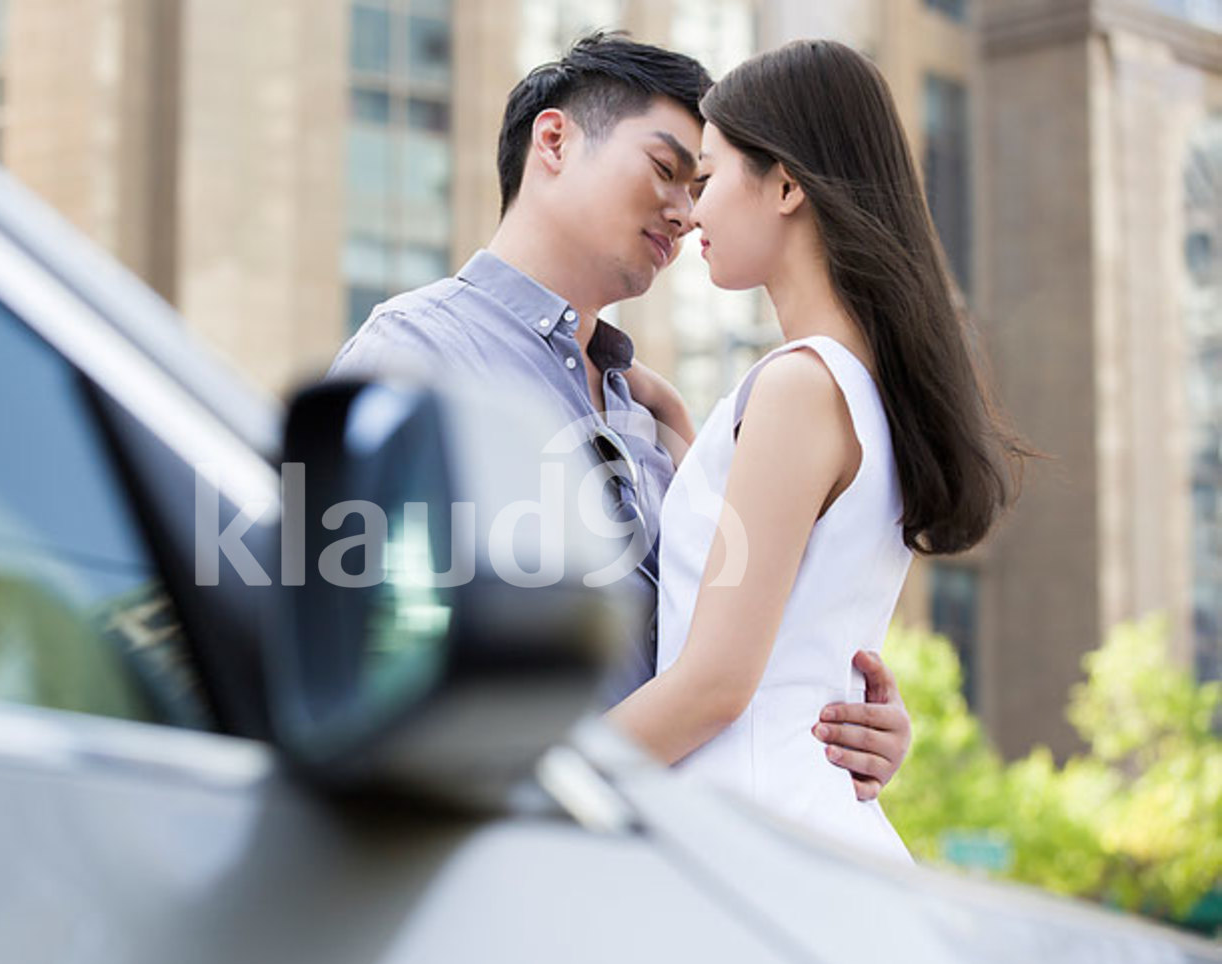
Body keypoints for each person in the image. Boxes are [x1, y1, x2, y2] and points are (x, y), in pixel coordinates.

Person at [330, 32, 913, 802]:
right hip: (496, 844)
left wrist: (837, 711)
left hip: (652, 856)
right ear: (555, 140)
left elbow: (714, 642)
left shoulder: (650, 412)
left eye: (703, 182)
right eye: (667, 170)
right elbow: (348, 638)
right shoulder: (414, 356)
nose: (687, 211)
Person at [606, 39, 1032, 861]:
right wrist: (689, 434)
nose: (692, 211)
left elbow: (716, 686)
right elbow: (782, 580)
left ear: (789, 184)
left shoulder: (800, 388)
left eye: (709, 178)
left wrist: (530, 783)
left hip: (755, 839)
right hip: (800, 824)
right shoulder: (858, 386)